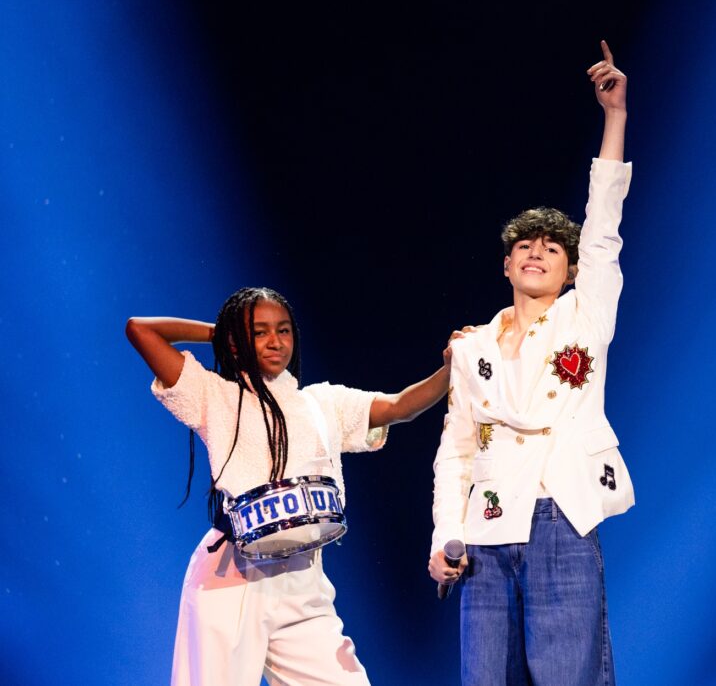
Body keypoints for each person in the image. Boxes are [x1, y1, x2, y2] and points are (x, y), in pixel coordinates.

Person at [427, 41, 632, 685]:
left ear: (572, 269)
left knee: (568, 676)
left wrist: (615, 116)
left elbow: (603, 227)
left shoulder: (585, 318)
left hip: (562, 513)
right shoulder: (471, 347)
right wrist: (444, 535)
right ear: (507, 264)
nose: (537, 253)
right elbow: (456, 450)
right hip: (487, 524)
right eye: (525, 246)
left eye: (552, 248)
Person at [126, 286, 450, 685]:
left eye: (283, 330)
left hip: (302, 577)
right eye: (259, 332)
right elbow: (140, 330)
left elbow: (401, 407)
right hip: (232, 577)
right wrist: (224, 332)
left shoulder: (323, 403)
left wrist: (453, 369)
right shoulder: (215, 396)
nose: (275, 342)